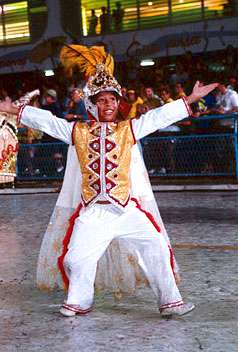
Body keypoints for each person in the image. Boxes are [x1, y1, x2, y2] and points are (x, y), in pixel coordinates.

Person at [0, 45, 218, 318]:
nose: (109, 105)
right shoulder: (77, 131)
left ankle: (170, 301)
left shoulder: (129, 129)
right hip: (94, 212)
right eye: (102, 100)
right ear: (92, 104)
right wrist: (15, 111)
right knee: (75, 259)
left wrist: (190, 99)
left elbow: (156, 117)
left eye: (113, 100)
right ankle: (79, 301)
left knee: (156, 246)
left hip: (127, 210)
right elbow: (49, 122)